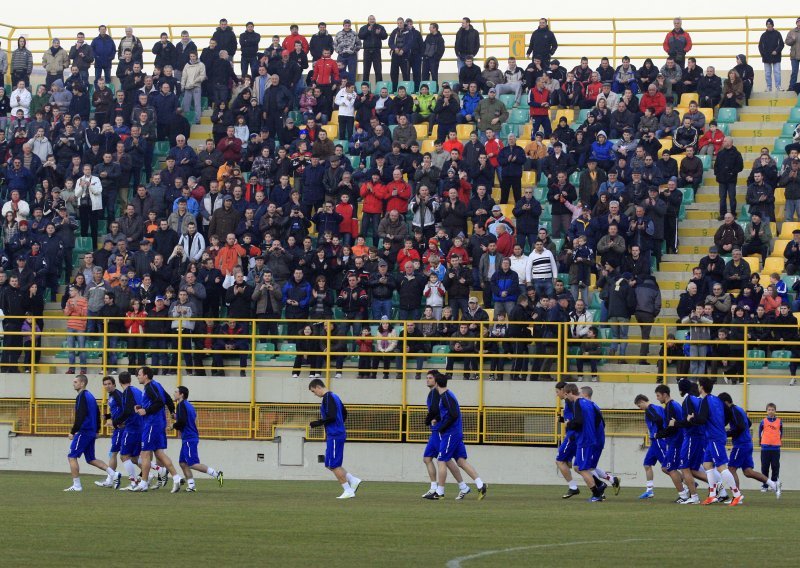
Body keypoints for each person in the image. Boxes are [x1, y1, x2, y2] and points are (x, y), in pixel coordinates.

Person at [679, 377, 744, 506]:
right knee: (707, 465)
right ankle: (713, 495)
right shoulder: (717, 400)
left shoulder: (705, 401)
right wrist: (720, 424)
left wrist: (691, 419)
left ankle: (737, 494)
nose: (697, 386)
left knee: (721, 467)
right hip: (713, 437)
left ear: (701, 387)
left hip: (714, 437)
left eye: (698, 384)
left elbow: (702, 419)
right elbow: (729, 413)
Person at [424, 373, 487, 500]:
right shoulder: (445, 396)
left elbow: (454, 415)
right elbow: (448, 414)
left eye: (431, 379)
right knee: (460, 461)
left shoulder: (446, 396)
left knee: (441, 460)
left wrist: (442, 427)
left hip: (450, 434)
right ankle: (480, 484)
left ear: (436, 383)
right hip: (455, 433)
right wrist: (437, 419)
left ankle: (440, 492)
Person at [64, 374, 121, 492]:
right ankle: (113, 474)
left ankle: (77, 485)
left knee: (72, 456)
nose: (73, 384)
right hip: (90, 432)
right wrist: (96, 431)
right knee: (90, 459)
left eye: (75, 382)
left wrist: (73, 431)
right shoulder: (90, 396)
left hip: (84, 431)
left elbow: (80, 416)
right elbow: (97, 412)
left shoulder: (82, 396)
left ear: (82, 383)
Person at [132, 366, 184, 493]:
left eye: (139, 374)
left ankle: (143, 483)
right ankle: (176, 478)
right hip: (159, 423)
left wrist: (146, 410)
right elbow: (166, 398)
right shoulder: (157, 385)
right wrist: (172, 411)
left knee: (144, 454)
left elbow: (160, 402)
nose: (137, 376)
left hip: (152, 424)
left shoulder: (149, 387)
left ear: (146, 376)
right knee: (159, 453)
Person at [308, 378, 362, 499]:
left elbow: (332, 416)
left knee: (333, 465)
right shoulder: (335, 396)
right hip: (336, 433)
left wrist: (318, 423)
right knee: (328, 463)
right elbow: (344, 413)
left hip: (335, 434)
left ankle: (348, 490)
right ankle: (353, 480)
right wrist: (339, 424)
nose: (314, 394)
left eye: (313, 391)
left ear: (318, 387)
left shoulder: (327, 398)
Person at [719, 392, 780, 498]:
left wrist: (726, 433)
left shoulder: (733, 411)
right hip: (747, 443)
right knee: (748, 472)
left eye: (720, 404)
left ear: (725, 402)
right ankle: (773, 484)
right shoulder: (739, 409)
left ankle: (736, 496)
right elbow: (749, 423)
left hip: (741, 444)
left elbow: (741, 427)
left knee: (731, 469)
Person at [421, 370, 469, 498]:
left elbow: (440, 411)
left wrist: (432, 421)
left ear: (436, 381)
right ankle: (437, 487)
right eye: (427, 378)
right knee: (429, 459)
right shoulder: (433, 393)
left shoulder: (439, 394)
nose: (427, 380)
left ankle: (446, 489)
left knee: (444, 459)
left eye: (430, 378)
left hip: (440, 431)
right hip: (437, 431)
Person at [172, 386, 224, 492]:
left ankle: (217, 474)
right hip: (189, 437)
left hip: (189, 438)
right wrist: (177, 417)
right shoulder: (188, 405)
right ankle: (191, 486)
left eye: (176, 392)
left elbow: (182, 422)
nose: (174, 393)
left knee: (192, 463)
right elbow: (187, 418)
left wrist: (173, 426)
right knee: (182, 462)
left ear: (181, 394)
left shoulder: (181, 405)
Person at [565, 383, 605, 501]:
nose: (567, 398)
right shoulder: (590, 403)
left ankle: (597, 494)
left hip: (584, 440)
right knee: (577, 467)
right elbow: (599, 419)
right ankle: (600, 485)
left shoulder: (577, 403)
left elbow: (578, 421)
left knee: (583, 469)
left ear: (570, 393)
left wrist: (569, 424)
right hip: (590, 438)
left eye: (567, 395)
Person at [634, 393, 672, 500]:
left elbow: (659, 420)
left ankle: (686, 484)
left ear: (642, 401)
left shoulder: (650, 409)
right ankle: (649, 491)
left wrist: (659, 432)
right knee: (647, 464)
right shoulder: (658, 408)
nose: (640, 408)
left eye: (639, 406)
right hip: (654, 442)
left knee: (667, 467)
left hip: (658, 440)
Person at [555, 382, 581, 498]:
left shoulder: (570, 401)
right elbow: (570, 419)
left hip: (572, 436)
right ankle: (609, 479)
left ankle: (573, 487)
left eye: (557, 392)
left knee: (559, 461)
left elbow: (576, 419)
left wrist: (568, 425)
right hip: (575, 435)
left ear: (563, 390)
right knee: (579, 466)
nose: (557, 395)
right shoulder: (571, 402)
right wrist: (562, 419)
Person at [759, 402, 782, 491]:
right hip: (765, 448)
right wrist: (761, 443)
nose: (771, 411)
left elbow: (780, 433)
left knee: (775, 466)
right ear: (766, 411)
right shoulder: (763, 421)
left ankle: (774, 483)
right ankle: (765, 485)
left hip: (775, 448)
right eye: (769, 409)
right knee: (765, 467)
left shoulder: (779, 422)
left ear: (775, 411)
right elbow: (760, 432)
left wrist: (777, 442)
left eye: (772, 410)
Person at [759, 18, 785, 92]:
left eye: (770, 25)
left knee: (777, 72)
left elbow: (781, 44)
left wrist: (776, 51)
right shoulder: (763, 35)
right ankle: (769, 87)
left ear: (772, 25)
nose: (769, 26)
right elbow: (760, 46)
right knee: (767, 73)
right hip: (766, 58)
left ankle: (778, 86)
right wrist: (763, 55)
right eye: (767, 25)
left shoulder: (777, 33)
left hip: (776, 57)